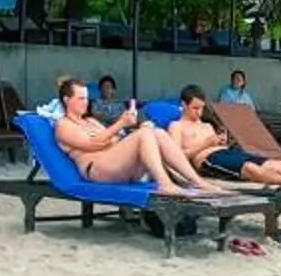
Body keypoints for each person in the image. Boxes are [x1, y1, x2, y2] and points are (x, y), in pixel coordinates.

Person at [49, 80, 220, 194]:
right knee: (144, 133)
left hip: (117, 164)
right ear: (66, 100)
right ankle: (164, 183)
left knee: (157, 132)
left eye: (86, 98)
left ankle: (198, 181)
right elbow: (91, 144)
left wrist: (111, 137)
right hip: (97, 170)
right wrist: (120, 125)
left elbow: (114, 140)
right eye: (80, 99)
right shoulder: (63, 125)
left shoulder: (91, 121)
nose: (86, 102)